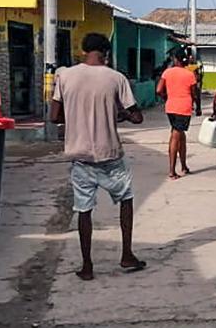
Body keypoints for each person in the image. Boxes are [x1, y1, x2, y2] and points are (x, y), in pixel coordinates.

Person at [50, 33, 146, 282]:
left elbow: (54, 116)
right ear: (106, 52)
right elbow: (137, 117)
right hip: (110, 154)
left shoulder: (65, 76)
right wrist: (120, 114)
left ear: (83, 50)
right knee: (126, 199)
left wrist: (76, 117)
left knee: (84, 210)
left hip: (80, 156)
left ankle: (87, 265)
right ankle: (126, 254)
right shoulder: (116, 78)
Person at [156, 48, 198, 179]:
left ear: (175, 59)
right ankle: (172, 171)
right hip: (183, 108)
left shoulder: (167, 72)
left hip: (171, 108)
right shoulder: (189, 74)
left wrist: (166, 97)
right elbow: (194, 93)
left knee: (181, 136)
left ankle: (184, 166)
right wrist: (198, 107)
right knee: (176, 136)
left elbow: (158, 90)